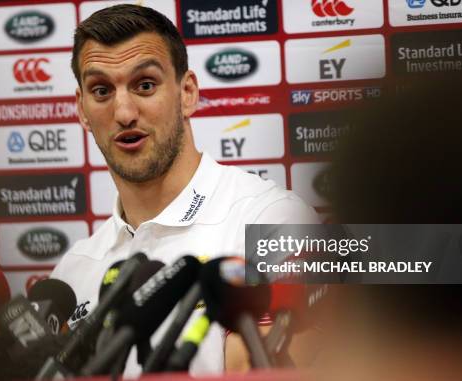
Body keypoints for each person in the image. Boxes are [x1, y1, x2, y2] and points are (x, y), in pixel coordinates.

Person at [50, 4, 319, 377]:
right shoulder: (71, 271)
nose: (124, 112)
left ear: (188, 92)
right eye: (101, 90)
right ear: (81, 109)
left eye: (145, 85)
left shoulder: (271, 219)